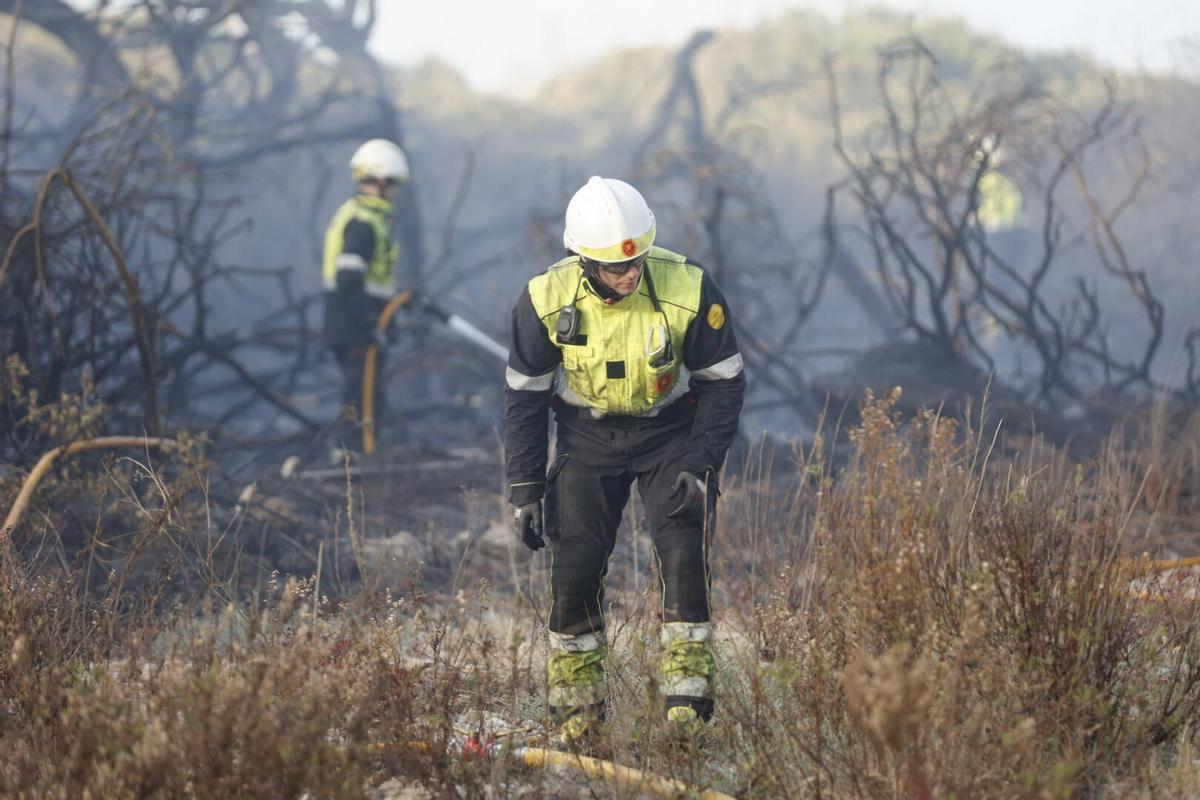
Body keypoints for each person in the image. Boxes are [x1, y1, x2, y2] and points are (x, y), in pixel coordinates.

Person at [503, 176, 746, 745]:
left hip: (671, 437)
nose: (629, 274)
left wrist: (701, 464)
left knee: (683, 557)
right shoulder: (544, 298)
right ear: (582, 259)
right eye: (615, 268)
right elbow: (524, 399)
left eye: (636, 262)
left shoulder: (690, 286)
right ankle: (577, 713)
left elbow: (725, 384)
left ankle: (688, 704)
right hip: (586, 443)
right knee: (575, 571)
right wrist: (524, 488)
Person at [321, 139, 409, 460]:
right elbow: (348, 280)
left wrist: (387, 320)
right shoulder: (362, 223)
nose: (396, 192)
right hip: (354, 323)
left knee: (369, 392)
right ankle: (348, 457)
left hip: (360, 321)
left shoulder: (370, 218)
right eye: (395, 185)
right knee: (359, 393)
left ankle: (364, 455)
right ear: (383, 182)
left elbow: (374, 283)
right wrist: (371, 323)